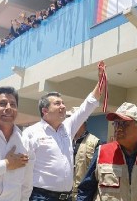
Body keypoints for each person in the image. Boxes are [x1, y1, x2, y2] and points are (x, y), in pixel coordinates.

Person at [23, 62, 104, 201]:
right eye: (57, 103)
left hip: (66, 197)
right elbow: (22, 167)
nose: (63, 106)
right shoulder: (31, 133)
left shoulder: (67, 127)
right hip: (41, 196)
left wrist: (101, 81)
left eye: (63, 103)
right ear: (45, 110)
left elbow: (88, 105)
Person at [76, 102, 137, 201]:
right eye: (116, 123)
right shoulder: (101, 152)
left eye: (124, 123)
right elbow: (85, 191)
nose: (118, 128)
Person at [66, 107, 100, 201]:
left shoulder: (95, 142)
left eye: (71, 119)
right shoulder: (64, 140)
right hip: (63, 194)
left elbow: (95, 174)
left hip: (83, 196)